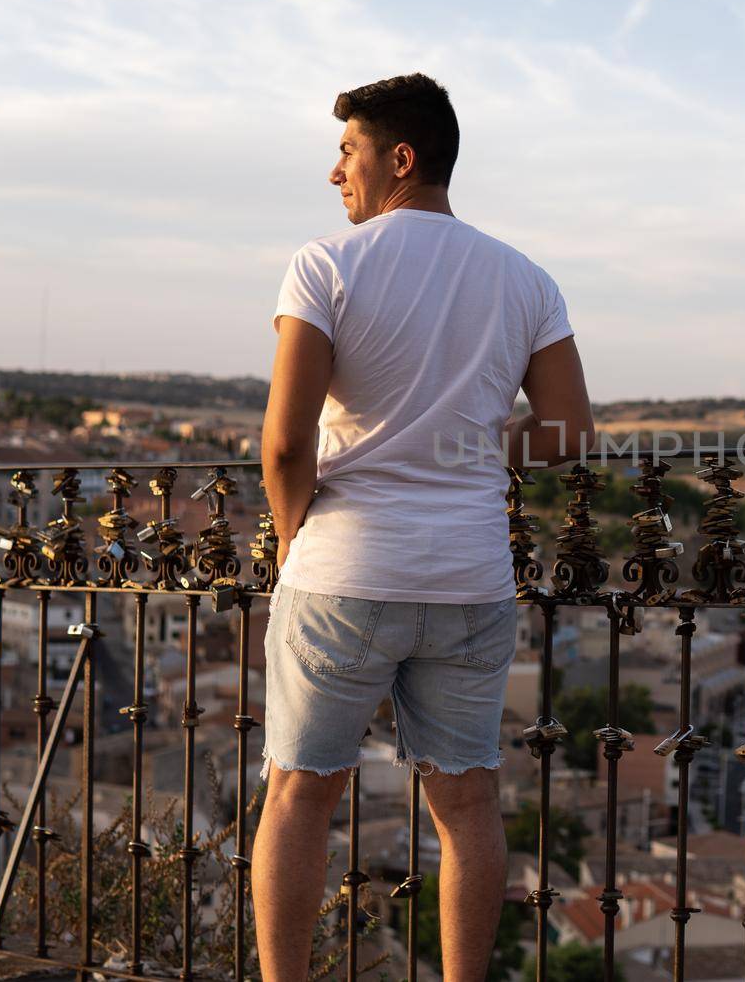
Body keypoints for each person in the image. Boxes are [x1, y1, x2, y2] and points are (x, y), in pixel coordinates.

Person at [253, 72, 595, 982]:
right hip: (469, 580)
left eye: (347, 152)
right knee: (469, 807)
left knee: (298, 799)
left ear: (400, 158)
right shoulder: (524, 278)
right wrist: (470, 447)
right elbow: (566, 433)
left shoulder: (327, 264)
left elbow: (286, 445)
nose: (335, 174)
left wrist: (294, 541)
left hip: (344, 570)